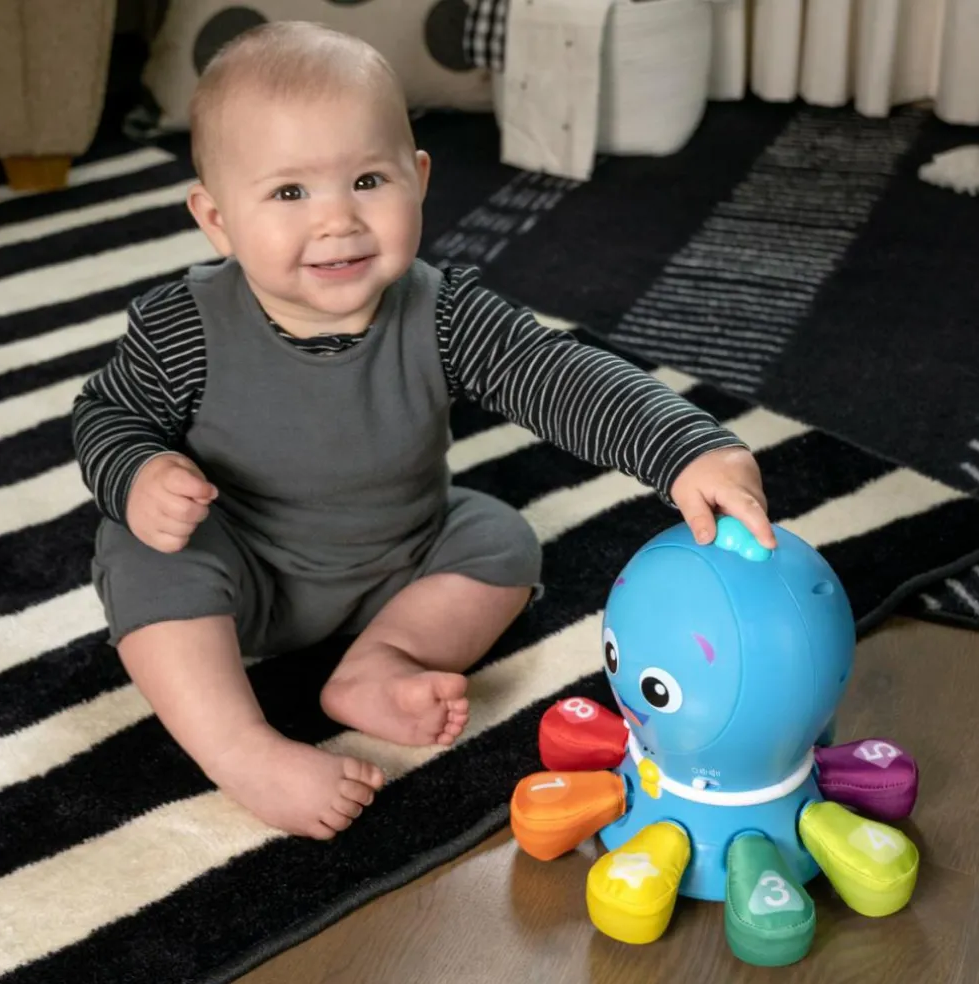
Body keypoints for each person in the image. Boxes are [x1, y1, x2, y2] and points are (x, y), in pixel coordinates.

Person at [72, 21, 776, 840]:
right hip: (241, 571)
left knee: (501, 539)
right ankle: (240, 747)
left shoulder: (443, 313)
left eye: (368, 180)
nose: (337, 221)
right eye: (291, 193)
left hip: (401, 560)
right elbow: (106, 414)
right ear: (217, 218)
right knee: (138, 549)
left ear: (420, 178)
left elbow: (555, 373)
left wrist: (686, 447)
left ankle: (380, 663)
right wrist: (139, 472)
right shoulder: (185, 327)